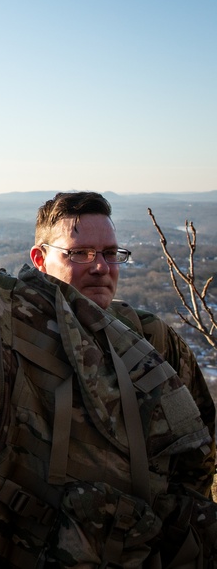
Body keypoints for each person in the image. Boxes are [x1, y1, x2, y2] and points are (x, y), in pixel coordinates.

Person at [30, 190, 216, 496]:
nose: (101, 267)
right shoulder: (11, 334)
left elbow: (199, 448)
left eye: (110, 253)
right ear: (40, 259)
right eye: (81, 253)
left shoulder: (152, 338)